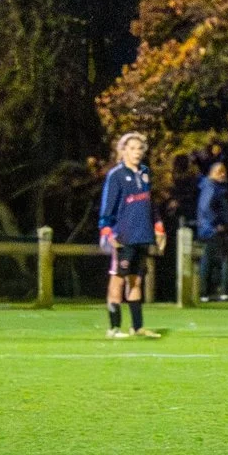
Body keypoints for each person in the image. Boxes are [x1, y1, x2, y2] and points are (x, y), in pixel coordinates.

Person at [96, 131, 165, 338]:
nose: (136, 153)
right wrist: (107, 230)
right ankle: (114, 327)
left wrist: (158, 226)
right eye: (132, 148)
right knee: (118, 280)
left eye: (140, 149)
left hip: (141, 235)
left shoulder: (144, 172)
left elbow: (151, 203)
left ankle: (137, 327)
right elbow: (107, 207)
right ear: (123, 150)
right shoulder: (116, 175)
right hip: (122, 237)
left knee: (136, 281)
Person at [195, 160, 228, 302]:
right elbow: (206, 207)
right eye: (220, 172)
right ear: (212, 173)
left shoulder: (213, 187)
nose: (223, 174)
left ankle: (204, 292)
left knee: (209, 258)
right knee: (224, 259)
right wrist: (217, 223)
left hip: (209, 229)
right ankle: (222, 292)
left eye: (224, 171)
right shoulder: (211, 187)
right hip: (212, 230)